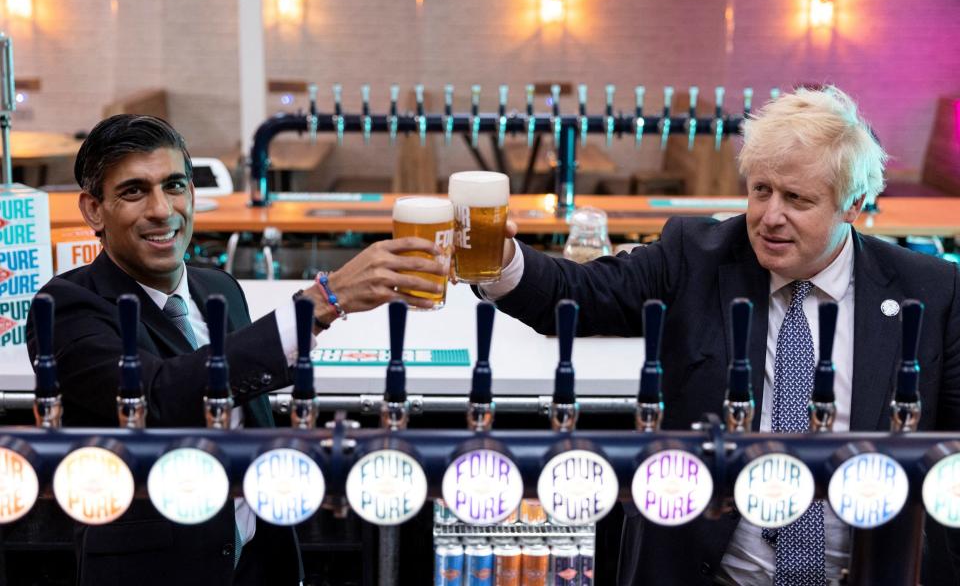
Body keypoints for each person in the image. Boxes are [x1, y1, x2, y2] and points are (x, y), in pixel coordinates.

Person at [480, 86, 960, 585]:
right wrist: (500, 261)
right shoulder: (694, 254)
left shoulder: (930, 290)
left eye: (796, 199)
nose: (770, 217)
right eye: (760, 190)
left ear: (853, 204)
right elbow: (580, 293)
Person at [25, 114, 447, 586]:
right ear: (93, 210)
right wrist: (323, 302)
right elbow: (159, 398)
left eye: (175, 185)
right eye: (133, 191)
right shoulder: (65, 306)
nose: (162, 210)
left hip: (258, 562)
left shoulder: (219, 286)